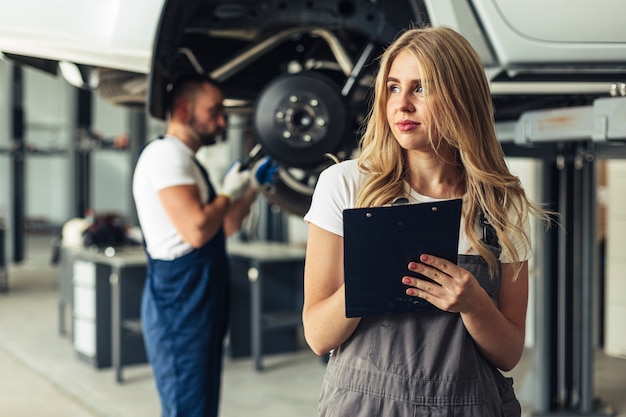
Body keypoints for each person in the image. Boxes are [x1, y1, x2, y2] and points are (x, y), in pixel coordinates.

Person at [302, 26, 550, 417]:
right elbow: (317, 336)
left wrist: (474, 306)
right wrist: (370, 278)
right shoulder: (347, 185)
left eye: (421, 88)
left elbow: (509, 354)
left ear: (460, 98)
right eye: (394, 88)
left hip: (468, 407)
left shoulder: (504, 204)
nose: (402, 105)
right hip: (365, 405)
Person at [132, 73, 273, 417]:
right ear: (183, 109)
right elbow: (196, 229)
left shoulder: (186, 160)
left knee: (201, 405)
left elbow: (222, 226)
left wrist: (250, 188)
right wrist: (227, 192)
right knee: (188, 407)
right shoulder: (165, 155)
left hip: (199, 297)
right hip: (180, 301)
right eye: (214, 111)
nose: (222, 121)